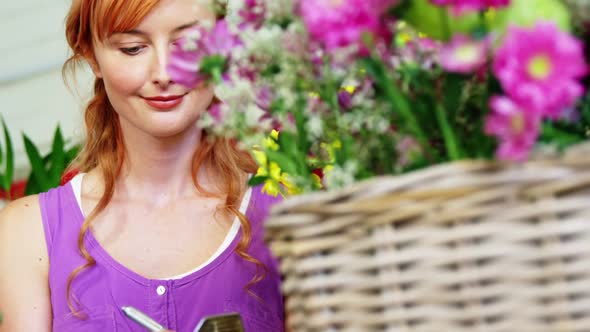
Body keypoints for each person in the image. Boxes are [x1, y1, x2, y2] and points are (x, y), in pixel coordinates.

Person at [0, 0, 285, 330]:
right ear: (91, 56)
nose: (164, 73)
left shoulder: (290, 210)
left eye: (188, 44)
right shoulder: (28, 232)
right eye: (133, 48)